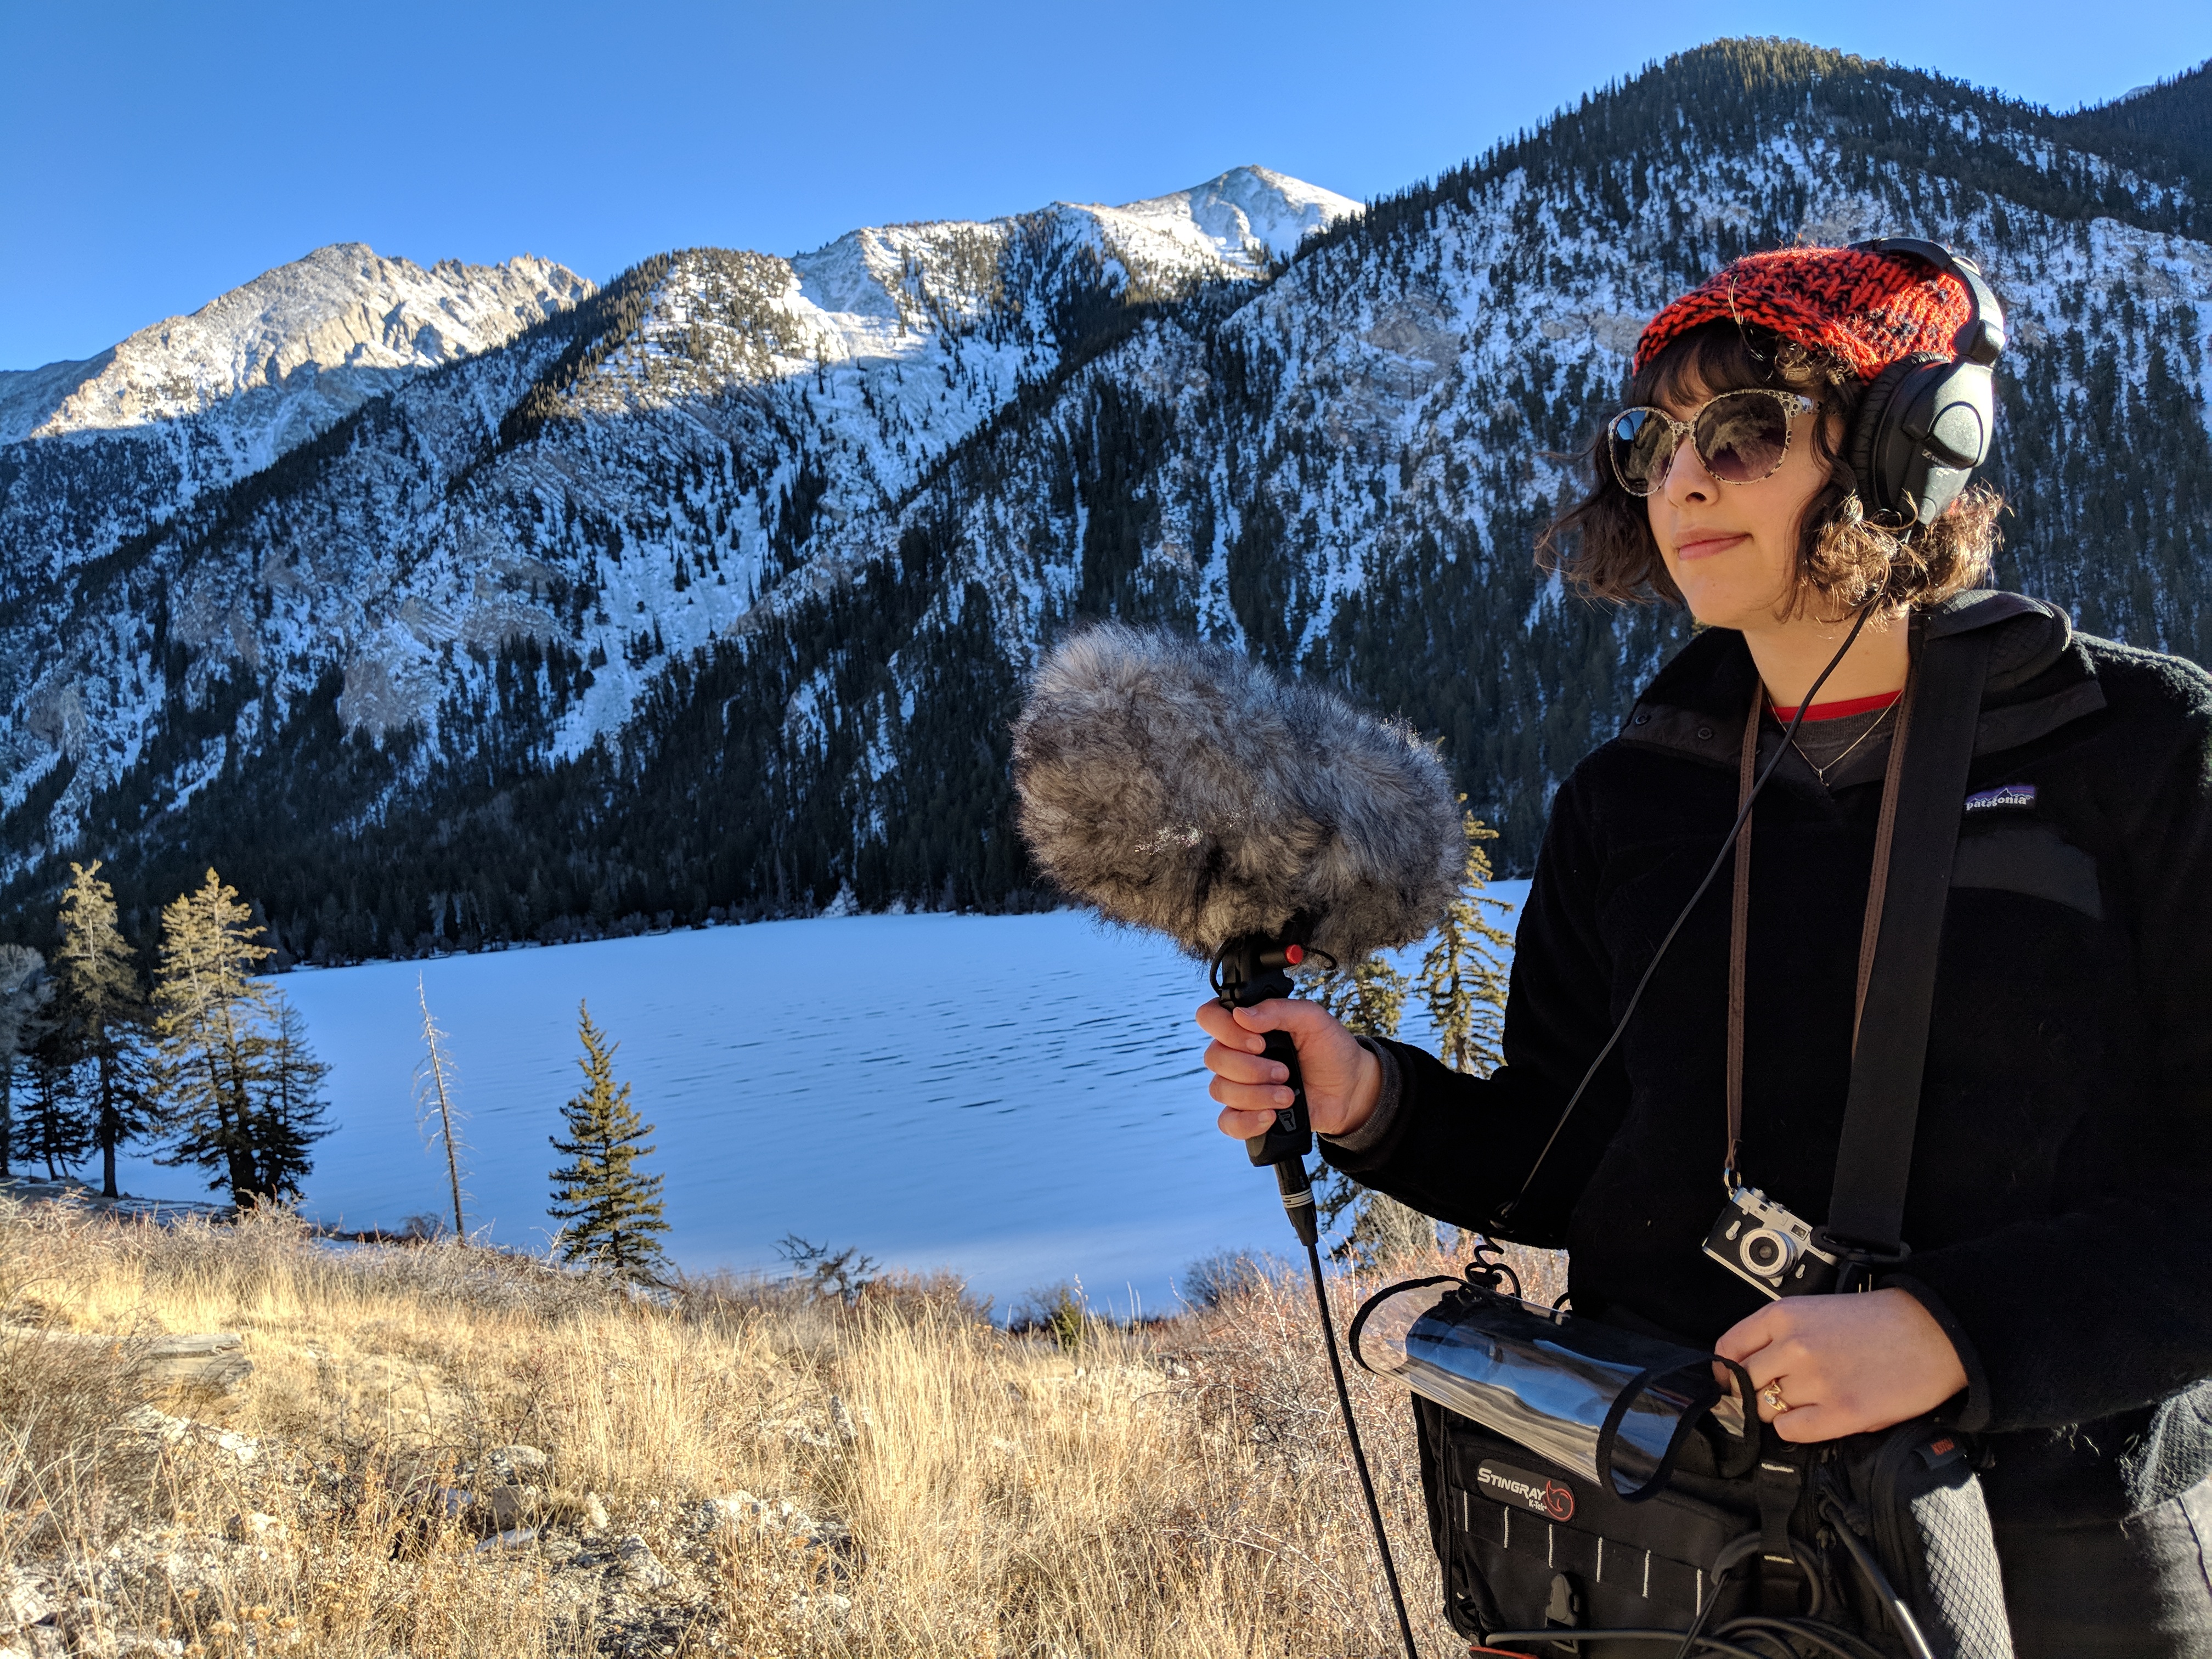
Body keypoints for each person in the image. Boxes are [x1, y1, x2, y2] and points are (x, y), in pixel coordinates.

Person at [1194, 243, 2212, 1655]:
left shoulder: (2144, 755)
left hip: (2058, 1538)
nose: (1680, 482)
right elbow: (1570, 1153)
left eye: (1741, 432)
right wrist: (1373, 1101)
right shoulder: (1634, 797)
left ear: (1909, 449)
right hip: (1685, 1522)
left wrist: (1958, 1334)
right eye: (1653, 443)